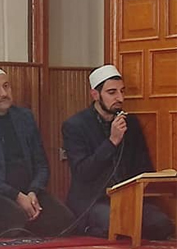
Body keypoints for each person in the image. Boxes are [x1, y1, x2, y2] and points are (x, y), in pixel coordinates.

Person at [0, 67, 75, 237]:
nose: (4, 93)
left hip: (27, 191)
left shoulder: (24, 117)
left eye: (6, 86)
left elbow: (41, 164)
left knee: (65, 220)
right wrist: (16, 196)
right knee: (15, 220)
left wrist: (33, 191)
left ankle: (28, 221)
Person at [62, 64, 172, 239]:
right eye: (112, 92)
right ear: (95, 95)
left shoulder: (131, 123)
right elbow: (83, 172)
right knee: (115, 224)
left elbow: (143, 166)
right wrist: (112, 141)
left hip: (130, 199)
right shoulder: (75, 126)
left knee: (162, 224)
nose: (120, 98)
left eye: (122, 91)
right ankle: (90, 229)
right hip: (95, 200)